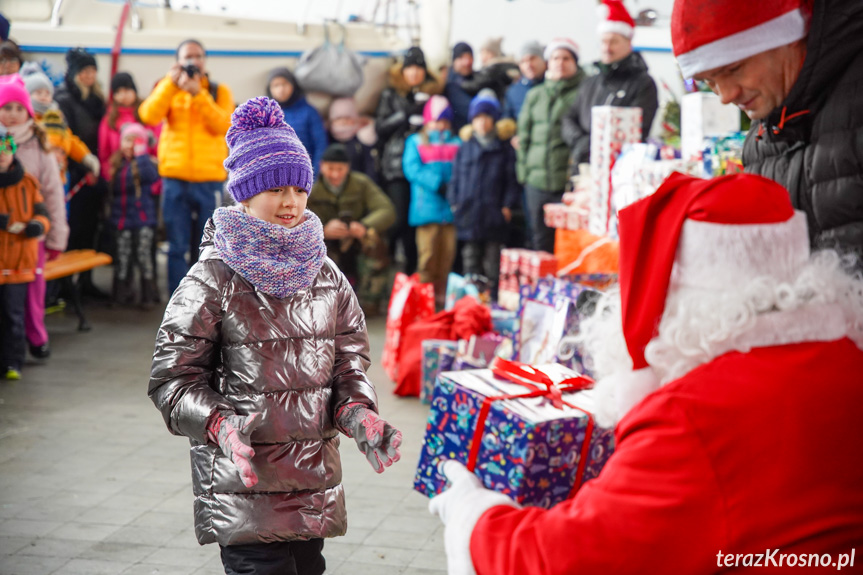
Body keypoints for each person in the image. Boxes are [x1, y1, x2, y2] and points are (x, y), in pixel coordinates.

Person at [429, 172, 863, 574]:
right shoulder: (846, 361)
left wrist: (474, 514)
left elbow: (565, 558)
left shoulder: (690, 417)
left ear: (676, 296)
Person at [149, 97, 402, 575]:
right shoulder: (213, 279)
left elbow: (350, 361)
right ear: (243, 194)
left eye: (299, 189)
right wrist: (218, 424)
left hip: (311, 487)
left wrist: (358, 411)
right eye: (275, 189)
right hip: (243, 486)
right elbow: (172, 380)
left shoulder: (327, 274)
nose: (290, 202)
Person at [671, 0, 863, 258]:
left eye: (733, 69)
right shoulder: (764, 132)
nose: (725, 96)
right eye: (709, 82)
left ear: (788, 36)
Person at [138, 38, 234, 296]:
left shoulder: (217, 90)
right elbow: (148, 115)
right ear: (178, 61)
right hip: (174, 178)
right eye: (187, 57)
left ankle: (206, 299)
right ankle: (178, 301)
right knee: (176, 245)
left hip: (209, 179)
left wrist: (197, 94)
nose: (193, 61)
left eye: (198, 56)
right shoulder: (166, 87)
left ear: (205, 60)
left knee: (207, 246)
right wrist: (170, 84)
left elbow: (224, 126)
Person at [0, 74, 66, 361]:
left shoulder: (39, 146)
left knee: (33, 292)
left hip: (30, 236)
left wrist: (55, 237)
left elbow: (53, 194)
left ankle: (36, 337)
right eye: (6, 108)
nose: (12, 115)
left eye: (18, 108)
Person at [561, 0, 659, 169]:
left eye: (613, 41)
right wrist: (582, 142)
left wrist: (595, 146)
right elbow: (569, 118)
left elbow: (637, 130)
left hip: (621, 170)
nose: (607, 47)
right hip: (584, 167)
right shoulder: (590, 82)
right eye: (603, 41)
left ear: (628, 43)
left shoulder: (643, 83)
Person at [374, 45, 440, 276]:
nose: (414, 73)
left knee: (417, 225)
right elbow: (379, 128)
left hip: (426, 164)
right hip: (396, 166)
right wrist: (405, 114)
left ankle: (414, 276)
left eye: (418, 68)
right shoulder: (390, 94)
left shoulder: (434, 93)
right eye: (409, 68)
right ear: (402, 71)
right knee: (398, 221)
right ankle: (386, 270)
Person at [516, 38, 585, 253]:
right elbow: (524, 136)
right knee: (539, 240)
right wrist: (524, 175)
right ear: (548, 62)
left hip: (566, 184)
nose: (560, 62)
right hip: (536, 182)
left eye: (566, 58)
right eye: (555, 57)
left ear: (575, 62)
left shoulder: (583, 93)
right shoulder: (535, 95)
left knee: (567, 244)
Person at [308, 143, 395, 313]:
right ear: (321, 166)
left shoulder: (361, 183)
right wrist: (322, 230)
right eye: (330, 168)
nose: (335, 174)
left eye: (340, 169)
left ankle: (370, 301)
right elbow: (296, 217)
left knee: (375, 240)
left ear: (348, 168)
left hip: (356, 240)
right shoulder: (311, 188)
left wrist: (364, 226)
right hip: (326, 243)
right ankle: (321, 302)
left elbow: (386, 210)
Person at [449, 92, 519, 296]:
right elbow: (455, 177)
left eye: (487, 117)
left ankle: (494, 298)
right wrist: (455, 202)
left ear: (494, 120)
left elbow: (511, 181)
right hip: (468, 212)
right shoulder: (465, 147)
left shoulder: (504, 149)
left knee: (493, 260)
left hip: (493, 212)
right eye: (478, 118)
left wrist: (507, 205)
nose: (482, 122)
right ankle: (471, 300)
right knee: (470, 258)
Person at [54, 47, 107, 297]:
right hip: (76, 175)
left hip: (94, 174)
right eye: (84, 71)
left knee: (90, 228)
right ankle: (64, 286)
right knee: (71, 230)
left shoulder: (97, 100)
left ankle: (85, 283)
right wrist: (83, 167)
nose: (89, 75)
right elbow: (67, 139)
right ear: (75, 73)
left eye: (92, 70)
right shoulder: (64, 99)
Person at [0, 127, 50, 380]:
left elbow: (43, 213)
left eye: (6, 148)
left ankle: (13, 362)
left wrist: (38, 225)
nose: (2, 154)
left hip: (19, 264)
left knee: (13, 315)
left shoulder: (28, 182)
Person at [402, 95, 461, 308]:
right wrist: (437, 183)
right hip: (426, 211)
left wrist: (454, 187)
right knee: (427, 258)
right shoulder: (416, 142)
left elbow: (463, 169)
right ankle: (423, 302)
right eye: (437, 120)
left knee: (446, 257)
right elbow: (411, 169)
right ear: (428, 121)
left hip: (450, 211)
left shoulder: (457, 143)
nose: (441, 125)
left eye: (445, 121)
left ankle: (441, 301)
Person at [106, 122, 160, 308]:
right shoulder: (117, 163)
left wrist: (141, 155)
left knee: (144, 256)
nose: (131, 144)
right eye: (128, 140)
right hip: (122, 220)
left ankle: (148, 295)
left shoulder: (145, 163)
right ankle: (121, 295)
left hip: (143, 219)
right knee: (122, 256)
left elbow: (150, 176)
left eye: (136, 141)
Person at [266, 67, 328, 172]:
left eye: (285, 84)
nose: (281, 89)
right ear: (270, 89)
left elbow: (320, 145)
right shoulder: (267, 114)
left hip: (303, 173)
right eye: (276, 85)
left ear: (293, 86)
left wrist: (313, 176)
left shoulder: (309, 112)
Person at [98, 71, 158, 179]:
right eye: (118, 92)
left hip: (147, 175)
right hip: (119, 178)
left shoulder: (147, 113)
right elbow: (104, 153)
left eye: (126, 90)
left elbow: (156, 146)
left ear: (134, 90)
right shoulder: (110, 118)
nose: (123, 96)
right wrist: (109, 176)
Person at [327, 96, 379, 183]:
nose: (343, 122)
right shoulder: (326, 140)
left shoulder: (362, 141)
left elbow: (370, 168)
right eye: (339, 118)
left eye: (347, 118)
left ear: (355, 119)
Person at [460, 37, 520, 104]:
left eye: (486, 52)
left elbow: (477, 84)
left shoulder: (494, 68)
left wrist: (462, 84)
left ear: (494, 54)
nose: (483, 56)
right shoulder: (500, 67)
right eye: (482, 52)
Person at [502, 41, 546, 121]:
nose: (528, 65)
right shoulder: (513, 91)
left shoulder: (554, 86)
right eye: (523, 61)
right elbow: (508, 119)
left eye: (532, 59)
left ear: (543, 61)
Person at [444, 41, 477, 131]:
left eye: (469, 57)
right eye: (462, 58)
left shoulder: (478, 81)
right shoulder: (447, 84)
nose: (466, 62)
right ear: (454, 60)